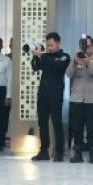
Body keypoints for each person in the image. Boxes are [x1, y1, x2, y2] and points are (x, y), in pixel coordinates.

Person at [30, 32, 71, 162]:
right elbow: (36, 67)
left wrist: (41, 55)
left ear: (58, 43)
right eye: (48, 45)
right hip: (43, 94)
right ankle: (44, 151)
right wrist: (35, 57)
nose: (49, 48)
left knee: (56, 123)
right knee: (42, 123)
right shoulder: (45, 56)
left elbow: (56, 66)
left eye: (51, 45)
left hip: (56, 94)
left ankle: (59, 151)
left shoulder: (64, 56)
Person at [65, 36, 93, 164]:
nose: (86, 48)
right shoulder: (75, 58)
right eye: (84, 45)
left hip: (92, 99)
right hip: (77, 98)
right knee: (77, 127)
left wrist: (88, 62)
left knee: (92, 128)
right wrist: (75, 63)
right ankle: (77, 153)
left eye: (88, 46)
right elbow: (68, 74)